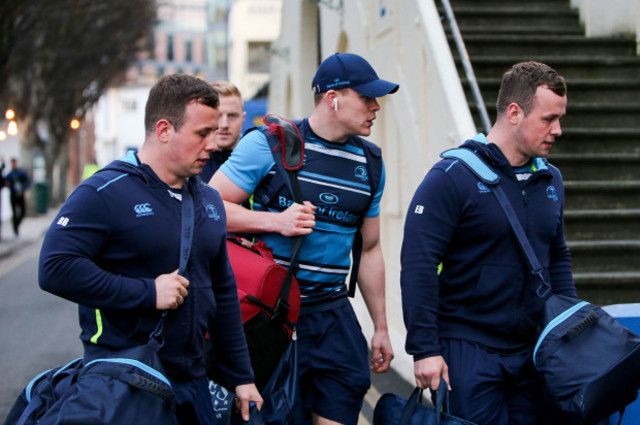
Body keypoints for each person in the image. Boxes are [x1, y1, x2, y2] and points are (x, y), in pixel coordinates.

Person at [38, 73, 262, 424]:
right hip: (125, 379)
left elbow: (223, 292)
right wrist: (147, 292)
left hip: (194, 381)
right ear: (163, 130)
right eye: (202, 134)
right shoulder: (105, 191)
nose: (214, 145)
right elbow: (54, 268)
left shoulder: (211, 201)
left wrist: (242, 377)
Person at [209, 52, 398, 425]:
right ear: (333, 98)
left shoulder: (372, 164)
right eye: (366, 97)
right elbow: (208, 209)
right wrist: (274, 221)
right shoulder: (269, 144)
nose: (375, 107)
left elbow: (371, 249)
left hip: (332, 316)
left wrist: (380, 327)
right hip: (270, 317)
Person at [400, 61, 578, 425]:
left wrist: (569, 330)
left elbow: (556, 255)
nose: (557, 130)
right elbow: (418, 264)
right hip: (467, 350)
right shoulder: (451, 177)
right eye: (548, 119)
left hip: (532, 350)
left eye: (560, 119)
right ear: (514, 113)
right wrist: (424, 349)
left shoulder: (550, 179)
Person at [199, 81, 246, 183]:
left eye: (232, 116)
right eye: (218, 115)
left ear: (243, 118)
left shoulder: (257, 160)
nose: (224, 124)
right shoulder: (190, 162)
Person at [5, 157, 30, 236]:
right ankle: (15, 228)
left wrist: (23, 188)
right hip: (13, 195)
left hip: (20, 195)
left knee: (22, 212)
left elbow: (27, 181)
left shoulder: (21, 173)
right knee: (14, 213)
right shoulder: (9, 174)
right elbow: (6, 182)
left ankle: (16, 224)